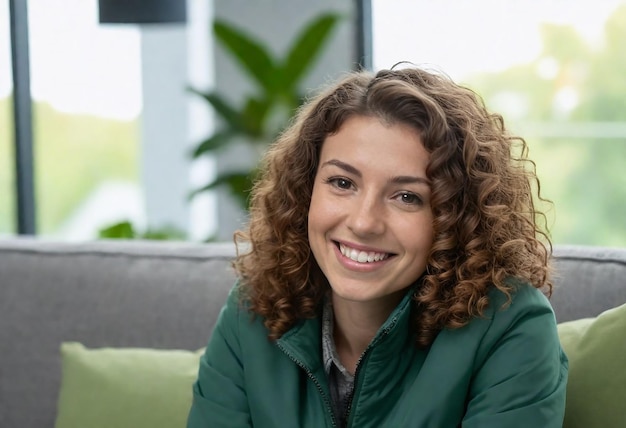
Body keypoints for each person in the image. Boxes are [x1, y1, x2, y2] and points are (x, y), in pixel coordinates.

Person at [187, 65, 568, 427]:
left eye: (406, 196)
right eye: (342, 183)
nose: (363, 222)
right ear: (305, 191)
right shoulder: (252, 310)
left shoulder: (511, 326)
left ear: (456, 217)